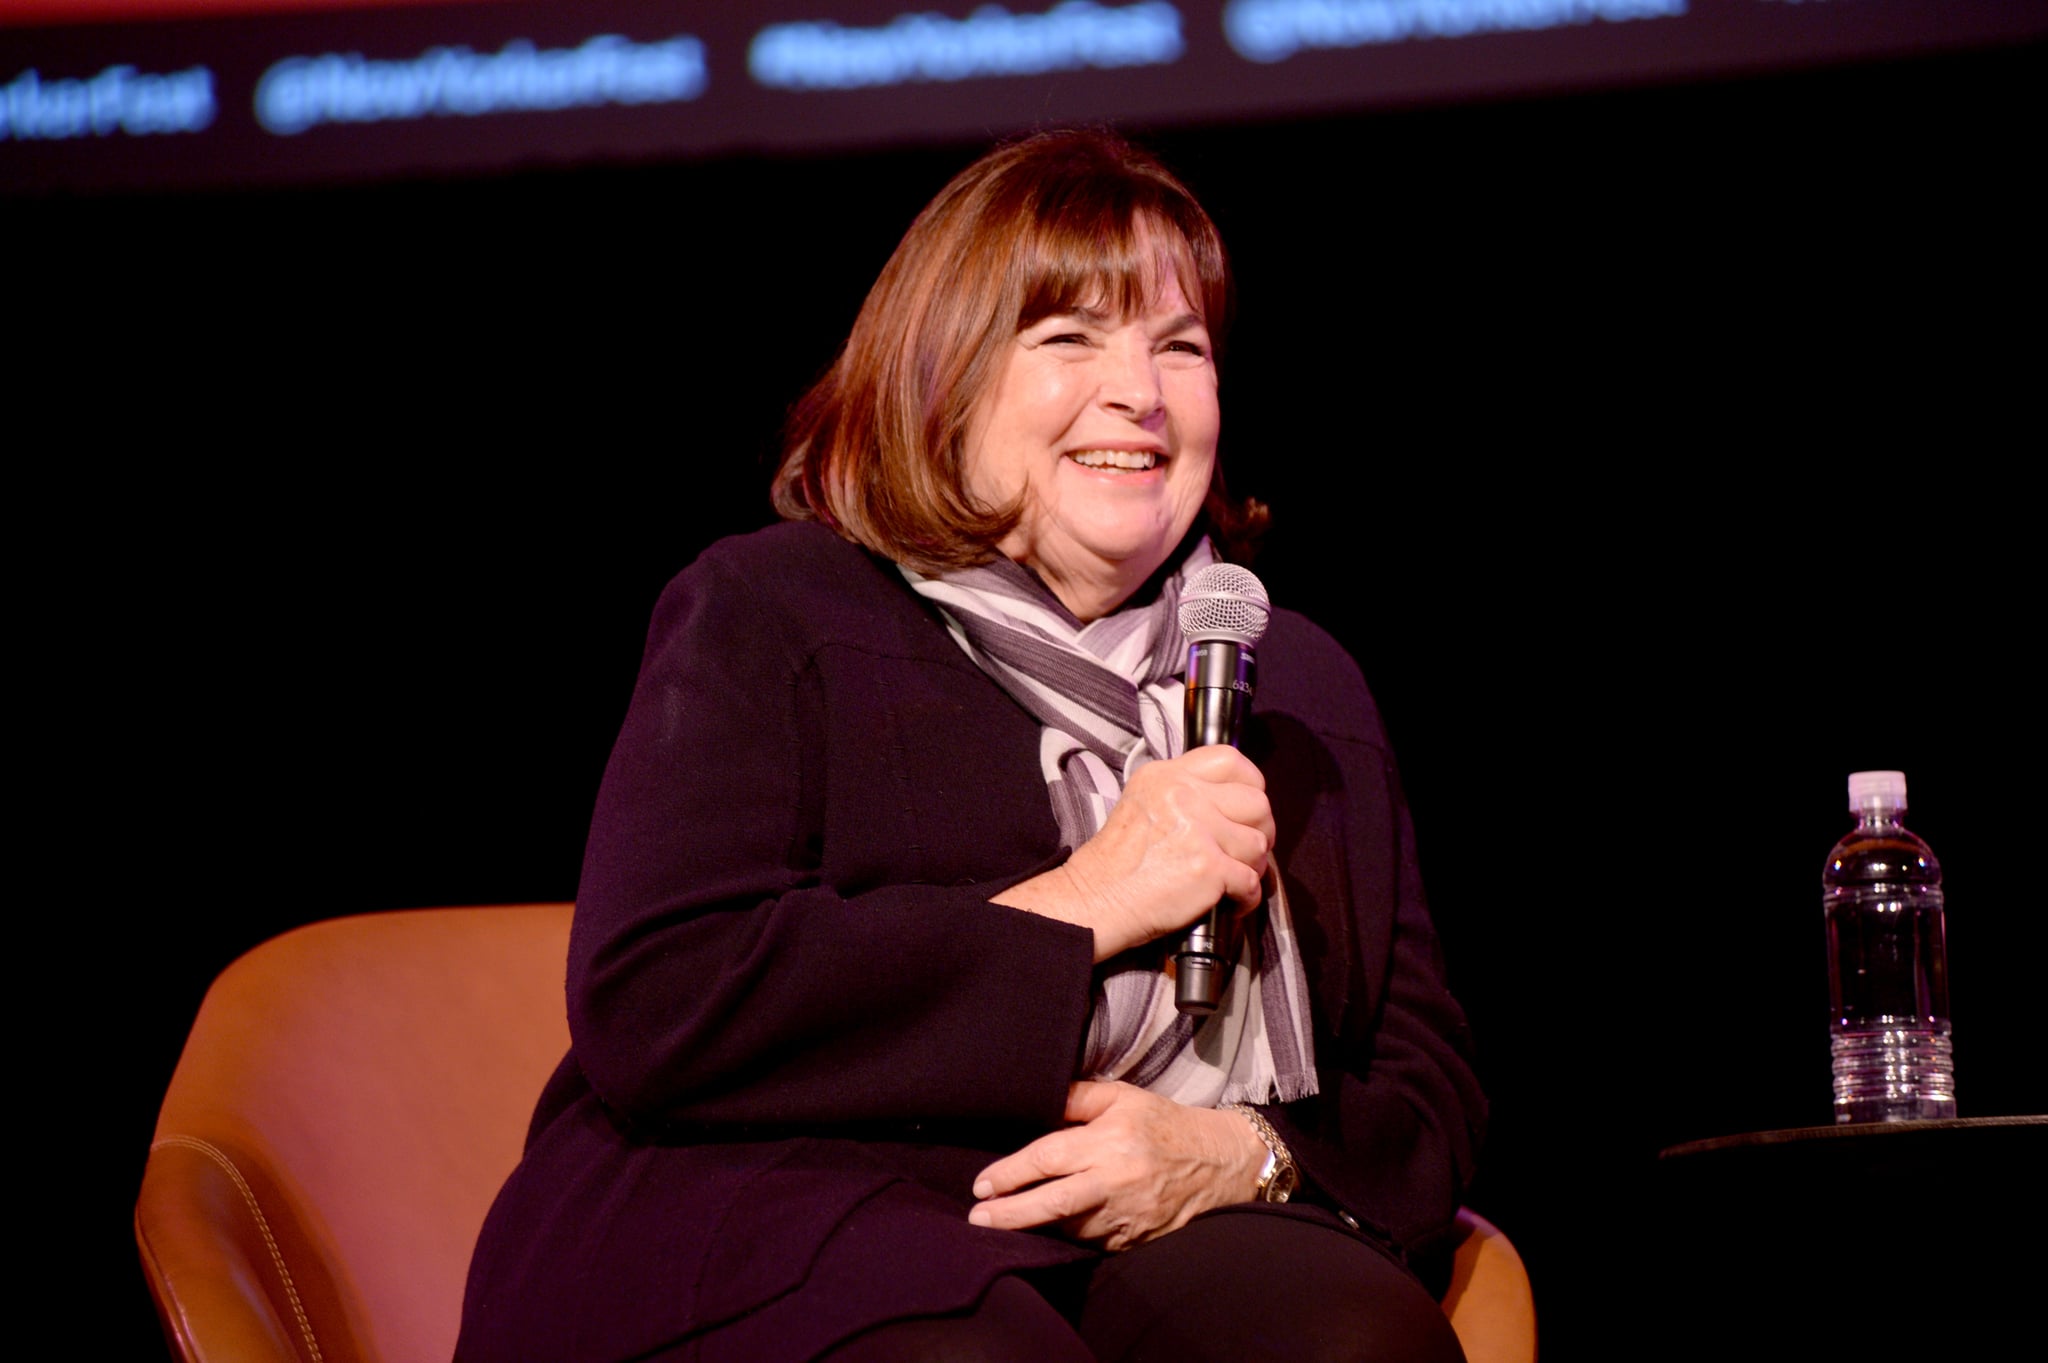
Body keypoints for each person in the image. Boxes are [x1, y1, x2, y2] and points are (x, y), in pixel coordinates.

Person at [457, 129, 1484, 1363]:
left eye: (1180, 347)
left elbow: (1424, 1086)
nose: (1140, 394)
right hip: (802, 1208)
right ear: (941, 378)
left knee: (1348, 1340)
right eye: (1067, 339)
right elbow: (660, 994)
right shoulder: (776, 609)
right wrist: (1082, 901)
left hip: (1163, 1211)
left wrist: (1242, 1152)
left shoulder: (1295, 679)